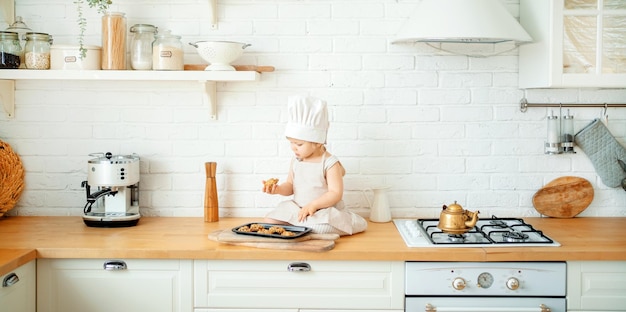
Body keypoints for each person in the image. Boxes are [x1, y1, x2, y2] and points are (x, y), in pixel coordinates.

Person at [262, 95, 367, 236]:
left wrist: (314, 205)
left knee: (320, 228)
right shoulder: (296, 160)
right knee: (269, 221)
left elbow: (335, 193)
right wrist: (278, 189)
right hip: (298, 208)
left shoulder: (330, 163)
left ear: (317, 142)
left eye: (299, 144)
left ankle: (351, 221)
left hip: (323, 210)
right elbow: (290, 186)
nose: (294, 148)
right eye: (291, 143)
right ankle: (300, 225)